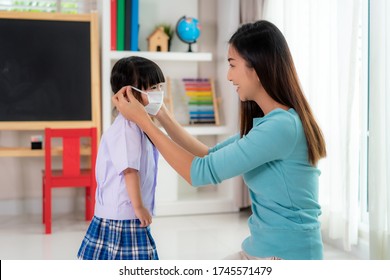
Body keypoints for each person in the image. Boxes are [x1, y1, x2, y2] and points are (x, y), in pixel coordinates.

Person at [112, 20, 327, 260]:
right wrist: (160, 113)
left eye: (232, 65)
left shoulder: (281, 128)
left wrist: (144, 122)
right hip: (261, 250)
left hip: (288, 256)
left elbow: (198, 172)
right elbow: (208, 155)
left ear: (256, 68)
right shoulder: (271, 123)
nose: (228, 75)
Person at [77, 56, 165, 260]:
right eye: (152, 87)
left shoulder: (137, 125)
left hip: (125, 214)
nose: (158, 93)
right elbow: (129, 170)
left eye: (160, 86)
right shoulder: (127, 128)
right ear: (127, 93)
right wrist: (138, 207)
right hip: (124, 216)